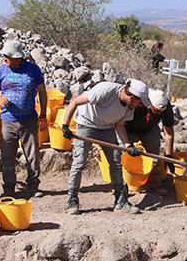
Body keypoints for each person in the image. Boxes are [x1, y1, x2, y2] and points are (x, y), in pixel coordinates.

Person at [60, 79, 152, 215]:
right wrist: (65, 125)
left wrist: (128, 145)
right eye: (140, 101)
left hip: (107, 127)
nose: (140, 105)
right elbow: (75, 101)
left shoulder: (129, 106)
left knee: (115, 163)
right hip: (87, 123)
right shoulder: (105, 90)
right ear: (133, 97)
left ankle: (120, 202)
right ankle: (72, 200)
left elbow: (119, 125)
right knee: (79, 163)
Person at [0, 40, 48, 198]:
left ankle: (33, 185)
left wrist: (43, 115)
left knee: (32, 154)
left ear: (17, 57)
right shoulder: (1, 70)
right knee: (7, 155)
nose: (4, 58)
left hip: (29, 119)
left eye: (7, 55)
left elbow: (42, 92)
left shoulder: (33, 70)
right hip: (7, 120)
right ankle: (9, 188)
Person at [125, 88, 175, 191]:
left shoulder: (166, 106)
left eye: (161, 112)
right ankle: (123, 185)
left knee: (153, 155)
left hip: (149, 128)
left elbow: (168, 133)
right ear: (149, 104)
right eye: (156, 111)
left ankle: (153, 184)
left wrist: (169, 155)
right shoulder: (137, 100)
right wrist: (127, 144)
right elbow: (120, 122)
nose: (158, 114)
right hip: (128, 128)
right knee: (124, 155)